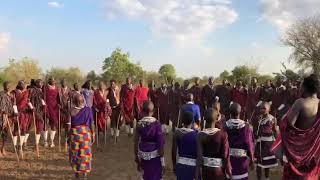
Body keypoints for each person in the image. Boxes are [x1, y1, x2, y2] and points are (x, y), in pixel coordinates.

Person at [273, 75, 320, 180]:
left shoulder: (300, 103)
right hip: (313, 153)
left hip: (297, 154)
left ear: (305, 87)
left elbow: (287, 127)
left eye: (301, 85)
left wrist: (284, 118)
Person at [196, 108, 232, 180]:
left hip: (206, 172)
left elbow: (199, 157)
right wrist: (229, 172)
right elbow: (225, 156)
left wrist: (197, 175)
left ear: (205, 119)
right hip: (219, 172)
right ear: (216, 119)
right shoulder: (223, 135)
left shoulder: (200, 135)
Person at [134, 101, 165, 180]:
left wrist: (136, 157)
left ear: (142, 111)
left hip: (142, 154)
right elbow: (160, 142)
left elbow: (135, 142)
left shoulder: (139, 124)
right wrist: (162, 160)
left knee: (145, 175)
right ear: (153, 111)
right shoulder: (157, 124)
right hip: (155, 155)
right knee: (155, 176)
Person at [224, 103, 254, 180]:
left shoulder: (225, 126)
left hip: (228, 160)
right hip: (242, 161)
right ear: (240, 112)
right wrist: (252, 159)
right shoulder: (247, 126)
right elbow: (249, 144)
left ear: (230, 113)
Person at [68, 93, 94, 180]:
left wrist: (68, 137)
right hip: (86, 136)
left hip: (74, 135)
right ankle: (84, 175)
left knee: (75, 154)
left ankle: (77, 174)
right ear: (83, 101)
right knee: (85, 154)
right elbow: (92, 124)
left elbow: (69, 126)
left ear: (74, 102)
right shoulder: (88, 110)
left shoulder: (71, 110)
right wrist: (93, 134)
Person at [254, 102, 278, 180]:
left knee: (266, 163)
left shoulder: (273, 119)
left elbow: (275, 131)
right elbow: (255, 131)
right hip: (260, 143)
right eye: (261, 108)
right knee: (259, 163)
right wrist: (255, 135)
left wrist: (277, 143)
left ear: (269, 109)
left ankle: (267, 178)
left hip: (268, 144)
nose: (262, 110)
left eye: (264, 108)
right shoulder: (258, 118)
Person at [172, 111, 198, 180]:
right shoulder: (197, 135)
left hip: (181, 164)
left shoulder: (177, 133)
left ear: (181, 120)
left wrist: (174, 165)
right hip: (193, 166)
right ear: (192, 122)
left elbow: (173, 152)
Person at [29, 79, 46, 151]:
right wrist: (31, 107)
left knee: (38, 127)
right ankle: (23, 143)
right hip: (34, 110)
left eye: (42, 83)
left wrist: (43, 104)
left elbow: (41, 99)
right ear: (36, 83)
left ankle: (36, 144)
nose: (42, 84)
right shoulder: (32, 90)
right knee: (37, 123)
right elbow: (28, 100)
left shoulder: (40, 90)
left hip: (40, 110)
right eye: (40, 83)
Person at [43, 77, 60, 148]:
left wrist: (59, 104)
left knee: (54, 124)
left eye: (54, 80)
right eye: (51, 80)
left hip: (54, 108)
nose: (53, 81)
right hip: (46, 108)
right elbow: (42, 98)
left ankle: (52, 141)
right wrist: (44, 105)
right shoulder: (45, 88)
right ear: (49, 81)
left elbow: (58, 98)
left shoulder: (57, 89)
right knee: (45, 124)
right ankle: (45, 141)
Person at [0, 81, 14, 156]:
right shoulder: (1, 94)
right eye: (6, 86)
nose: (8, 87)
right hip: (1, 117)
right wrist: (2, 110)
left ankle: (3, 148)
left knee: (6, 133)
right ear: (4, 86)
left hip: (9, 117)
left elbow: (12, 105)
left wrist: (14, 111)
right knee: (1, 132)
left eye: (9, 86)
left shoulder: (11, 95)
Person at [58, 79, 71, 149]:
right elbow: (57, 99)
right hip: (60, 110)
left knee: (67, 126)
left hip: (67, 111)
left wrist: (69, 106)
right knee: (59, 125)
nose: (63, 83)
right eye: (62, 82)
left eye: (64, 82)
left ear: (66, 83)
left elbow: (71, 100)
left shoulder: (70, 90)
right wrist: (58, 105)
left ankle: (66, 140)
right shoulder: (59, 90)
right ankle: (59, 139)